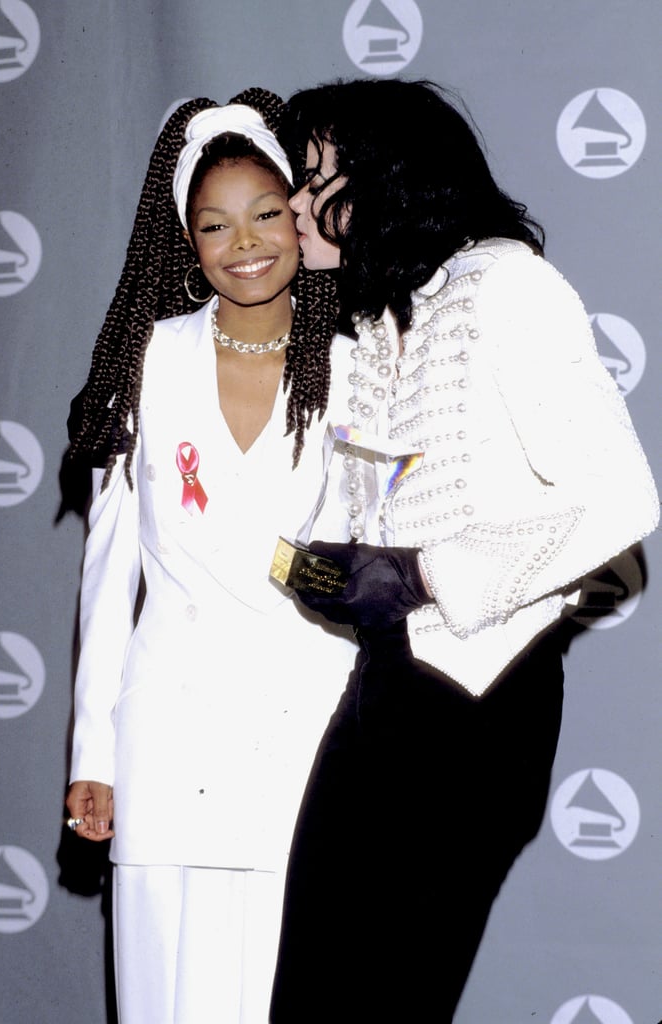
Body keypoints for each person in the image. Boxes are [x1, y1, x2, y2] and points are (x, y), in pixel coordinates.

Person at [268, 78, 660, 1023]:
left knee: (389, 994)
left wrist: (421, 573)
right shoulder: (372, 316)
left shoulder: (505, 283)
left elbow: (616, 493)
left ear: (388, 181)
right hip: (384, 683)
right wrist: (323, 564)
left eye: (315, 176)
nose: (292, 203)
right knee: (312, 991)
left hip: (485, 694)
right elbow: (373, 508)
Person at [63, 88, 356, 1024]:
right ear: (185, 242)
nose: (246, 244)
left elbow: (368, 569)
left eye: (267, 214)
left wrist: (277, 565)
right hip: (167, 738)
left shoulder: (358, 362)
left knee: (295, 986)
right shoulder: (142, 362)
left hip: (306, 723)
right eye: (215, 225)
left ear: (301, 218)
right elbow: (108, 581)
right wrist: (92, 752)